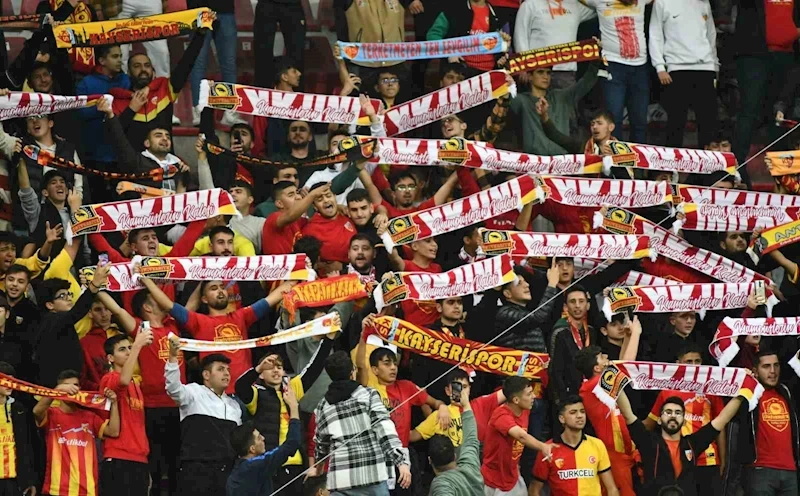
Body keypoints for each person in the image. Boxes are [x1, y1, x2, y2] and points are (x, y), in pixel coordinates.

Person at [138, 272, 293, 394]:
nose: (220, 291)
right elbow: (167, 305)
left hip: (247, 392)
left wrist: (298, 275)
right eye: (213, 288)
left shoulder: (241, 316)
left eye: (222, 287)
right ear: (204, 299)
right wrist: (145, 279)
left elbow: (272, 298)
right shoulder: (197, 321)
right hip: (216, 395)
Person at [235, 339, 333, 493]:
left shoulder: (292, 390)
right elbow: (240, 386)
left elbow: (315, 366)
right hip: (273, 466)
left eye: (279, 367)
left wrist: (329, 339)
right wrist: (258, 368)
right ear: (261, 375)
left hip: (298, 466)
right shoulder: (257, 394)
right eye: (269, 368)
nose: (275, 371)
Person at [616, 385, 744, 495]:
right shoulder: (648, 442)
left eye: (678, 413)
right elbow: (628, 414)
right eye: (668, 412)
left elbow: (722, 419)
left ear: (683, 421)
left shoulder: (692, 444)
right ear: (659, 420)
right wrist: (614, 378)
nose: (673, 415)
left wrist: (744, 390)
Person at [314, 350, 412, 494]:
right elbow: (385, 429)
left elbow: (321, 444)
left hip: (341, 481)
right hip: (373, 478)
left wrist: (318, 470)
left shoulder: (323, 405)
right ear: (352, 372)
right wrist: (401, 462)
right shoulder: (368, 394)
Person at [643, 343, 726, 496]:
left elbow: (720, 426)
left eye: (697, 361)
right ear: (678, 364)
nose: (694, 366)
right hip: (681, 460)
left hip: (708, 460)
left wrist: (723, 460)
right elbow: (650, 424)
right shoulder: (667, 391)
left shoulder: (711, 388)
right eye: (689, 362)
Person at [165, 337, 242, 496]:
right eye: (220, 369)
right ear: (206, 375)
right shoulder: (194, 392)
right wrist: (172, 357)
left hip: (226, 473)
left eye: (228, 370)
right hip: (196, 472)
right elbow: (173, 388)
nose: (226, 373)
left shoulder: (234, 406)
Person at [33, 369, 121, 496]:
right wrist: (57, 390)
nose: (71, 389)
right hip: (57, 490)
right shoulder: (51, 414)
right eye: (66, 386)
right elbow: (36, 411)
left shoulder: (90, 417)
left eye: (75, 385)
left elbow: (113, 432)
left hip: (87, 490)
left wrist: (114, 403)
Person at [576, 328, 641, 496]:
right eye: (602, 357)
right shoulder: (590, 387)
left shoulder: (603, 384)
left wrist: (627, 338)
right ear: (597, 368)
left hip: (631, 451)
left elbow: (620, 366)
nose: (607, 357)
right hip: (615, 456)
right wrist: (636, 333)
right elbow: (625, 368)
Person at [579, 0, 651, 144]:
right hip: (613, 65)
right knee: (613, 120)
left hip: (640, 67)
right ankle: (616, 157)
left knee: (640, 121)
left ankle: (637, 158)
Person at [649, 0, 718, 148]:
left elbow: (711, 34)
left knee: (707, 123)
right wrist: (659, 66)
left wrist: (715, 65)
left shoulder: (703, 2)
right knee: (676, 122)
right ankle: (672, 163)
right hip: (676, 68)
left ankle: (707, 162)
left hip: (705, 68)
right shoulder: (662, 2)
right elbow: (655, 34)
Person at [33, 263, 111, 388]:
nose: (69, 298)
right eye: (62, 296)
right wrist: (94, 285)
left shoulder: (57, 321)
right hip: (58, 389)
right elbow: (77, 312)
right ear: (50, 305)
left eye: (69, 294)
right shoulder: (52, 320)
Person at [737, 349, 799, 496]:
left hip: (790, 470)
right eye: (766, 366)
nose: (772, 371)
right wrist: (744, 381)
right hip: (760, 470)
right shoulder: (748, 394)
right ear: (755, 371)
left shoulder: (786, 391)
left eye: (776, 365)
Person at [530, 395, 620, 496]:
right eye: (573, 412)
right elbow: (534, 490)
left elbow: (612, 489)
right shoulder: (548, 449)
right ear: (562, 419)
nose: (580, 416)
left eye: (582, 411)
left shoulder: (597, 445)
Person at [99, 332, 154, 496]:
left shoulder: (135, 384)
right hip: (118, 457)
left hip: (140, 458)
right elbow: (122, 381)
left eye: (130, 347)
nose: (128, 352)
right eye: (122, 349)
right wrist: (137, 345)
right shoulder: (109, 379)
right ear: (110, 358)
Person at [481, 377, 554, 496]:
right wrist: (543, 446)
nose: (534, 396)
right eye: (529, 394)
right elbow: (521, 436)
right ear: (516, 400)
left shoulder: (525, 409)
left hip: (513, 476)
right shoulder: (501, 416)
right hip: (494, 482)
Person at [511, 60, 600, 155]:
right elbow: (503, 98)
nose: (545, 76)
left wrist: (596, 61)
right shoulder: (521, 100)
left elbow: (586, 82)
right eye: (540, 72)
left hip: (561, 160)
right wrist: (505, 75)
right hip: (535, 161)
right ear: (529, 76)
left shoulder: (561, 96)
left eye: (548, 73)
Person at [76, 45, 130, 202]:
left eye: (120, 56)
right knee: (98, 200)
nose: (120, 60)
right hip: (94, 152)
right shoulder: (86, 83)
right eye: (114, 56)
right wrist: (102, 109)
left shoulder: (126, 81)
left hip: (121, 153)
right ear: (102, 60)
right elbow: (80, 113)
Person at [226, 397, 301, 496]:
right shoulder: (256, 465)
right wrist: (294, 408)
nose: (263, 438)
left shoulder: (238, 469)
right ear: (252, 449)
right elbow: (291, 444)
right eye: (258, 438)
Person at [513, 0, 596, 88]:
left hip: (566, 73)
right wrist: (523, 66)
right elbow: (520, 36)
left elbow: (601, 6)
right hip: (537, 71)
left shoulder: (576, 6)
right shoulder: (530, 4)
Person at [427, 380, 484, 496]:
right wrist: (466, 405)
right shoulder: (470, 465)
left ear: (430, 461)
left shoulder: (441, 486)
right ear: (455, 455)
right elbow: (471, 439)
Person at [549, 286, 596, 402]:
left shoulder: (591, 331)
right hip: (568, 396)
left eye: (581, 301)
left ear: (588, 305)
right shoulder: (560, 331)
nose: (577, 305)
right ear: (565, 307)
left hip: (590, 392)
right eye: (572, 301)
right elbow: (555, 370)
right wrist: (561, 401)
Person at [261, 181, 328, 255]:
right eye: (291, 195)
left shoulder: (299, 221)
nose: (298, 197)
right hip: (280, 262)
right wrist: (313, 194)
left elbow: (316, 220)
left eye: (297, 193)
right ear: (279, 203)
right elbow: (290, 215)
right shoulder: (273, 218)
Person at [0, 361, 36, 496]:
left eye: (12, 380)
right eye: (6, 380)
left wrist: (29, 479)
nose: (10, 384)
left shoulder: (19, 408)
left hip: (14, 480)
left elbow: (27, 445)